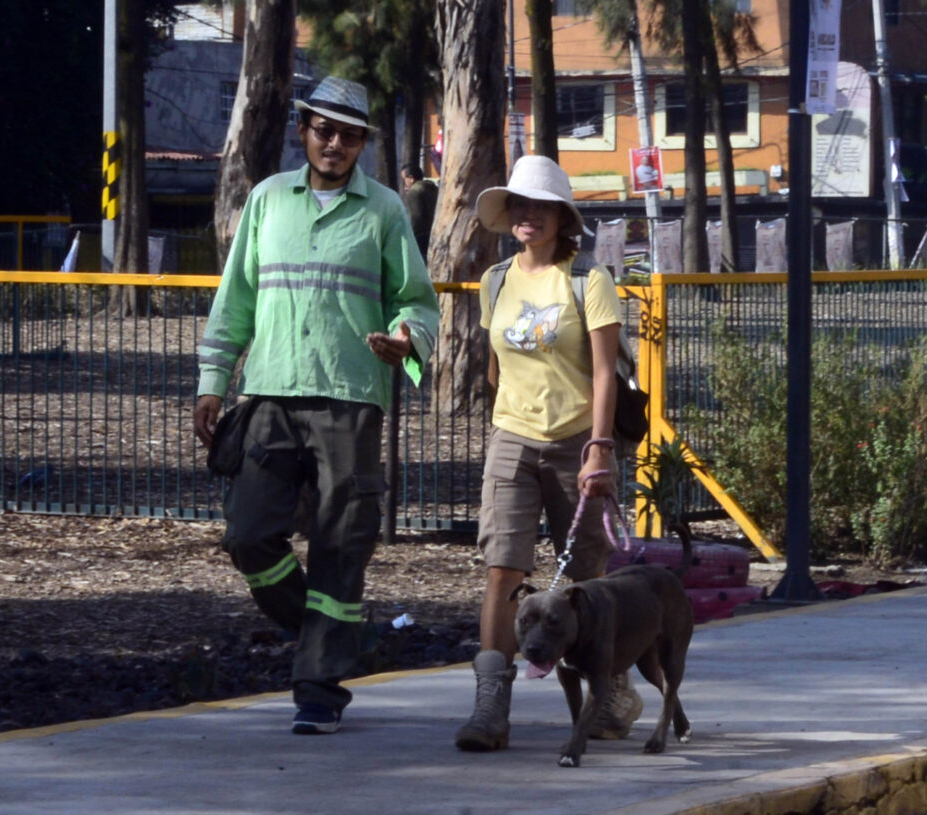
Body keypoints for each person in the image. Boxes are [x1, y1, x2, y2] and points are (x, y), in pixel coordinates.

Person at [194, 76, 439, 736]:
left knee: (340, 542)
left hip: (351, 397)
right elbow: (234, 300)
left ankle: (317, 688)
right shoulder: (268, 201)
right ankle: (327, 637)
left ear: (363, 143)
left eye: (349, 134)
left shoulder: (384, 211)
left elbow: (418, 301)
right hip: (270, 391)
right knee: (247, 532)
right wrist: (212, 380)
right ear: (302, 131)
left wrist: (405, 341)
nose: (334, 143)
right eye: (323, 130)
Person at [454, 155, 642, 752]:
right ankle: (491, 707)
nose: (527, 216)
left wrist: (599, 449)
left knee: (584, 582)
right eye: (519, 205)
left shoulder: (588, 280)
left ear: (563, 217)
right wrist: (509, 416)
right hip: (512, 437)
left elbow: (606, 373)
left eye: (539, 206)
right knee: (502, 569)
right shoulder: (496, 280)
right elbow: (495, 365)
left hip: (576, 440)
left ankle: (610, 689)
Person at [400, 162, 439, 261]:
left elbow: (415, 218)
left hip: (420, 239)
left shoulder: (414, 192)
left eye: (404, 179)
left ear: (411, 178)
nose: (404, 182)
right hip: (435, 233)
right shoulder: (432, 188)